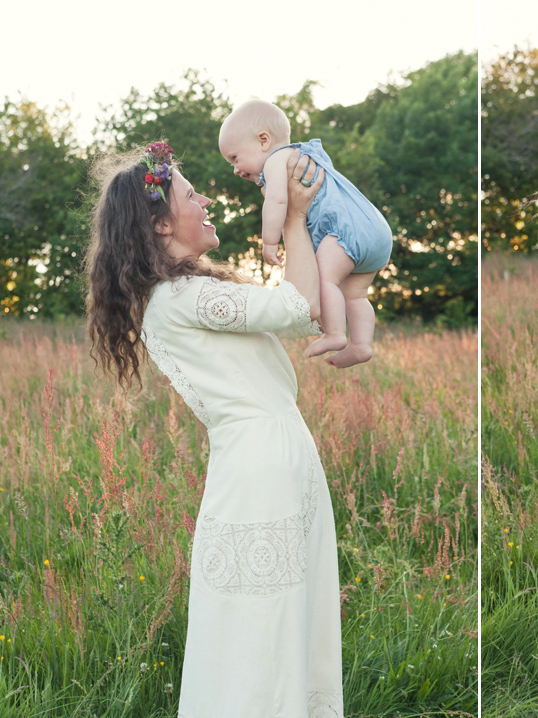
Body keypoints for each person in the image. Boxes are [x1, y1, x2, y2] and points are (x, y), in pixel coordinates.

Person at [85, 141, 343, 718]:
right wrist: (295, 217)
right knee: (263, 623)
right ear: (159, 224)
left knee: (274, 617)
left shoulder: (179, 295)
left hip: (264, 457)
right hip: (261, 463)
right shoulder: (182, 297)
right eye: (189, 194)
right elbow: (300, 310)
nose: (205, 200)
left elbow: (303, 309)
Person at [219, 99, 393, 368]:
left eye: (234, 157)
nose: (235, 169)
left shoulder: (277, 159)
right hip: (376, 230)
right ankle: (360, 345)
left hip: (344, 231)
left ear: (264, 140)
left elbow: (277, 201)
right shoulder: (309, 155)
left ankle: (334, 334)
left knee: (324, 279)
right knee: (356, 295)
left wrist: (269, 242)